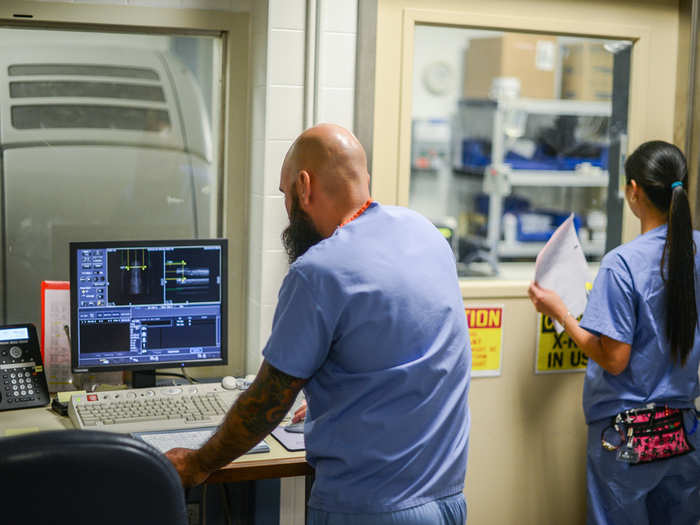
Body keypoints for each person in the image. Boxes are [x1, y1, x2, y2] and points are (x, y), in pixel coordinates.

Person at [166, 123, 471, 524]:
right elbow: (406, 354)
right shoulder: (425, 234)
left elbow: (266, 403)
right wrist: (335, 394)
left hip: (368, 512)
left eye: (284, 194)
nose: (287, 209)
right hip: (447, 503)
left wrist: (197, 463)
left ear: (304, 187)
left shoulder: (320, 271)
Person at [528, 140, 700, 524]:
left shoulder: (621, 264)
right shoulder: (697, 251)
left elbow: (615, 359)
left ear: (633, 190)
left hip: (629, 438)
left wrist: (561, 313)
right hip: (683, 431)